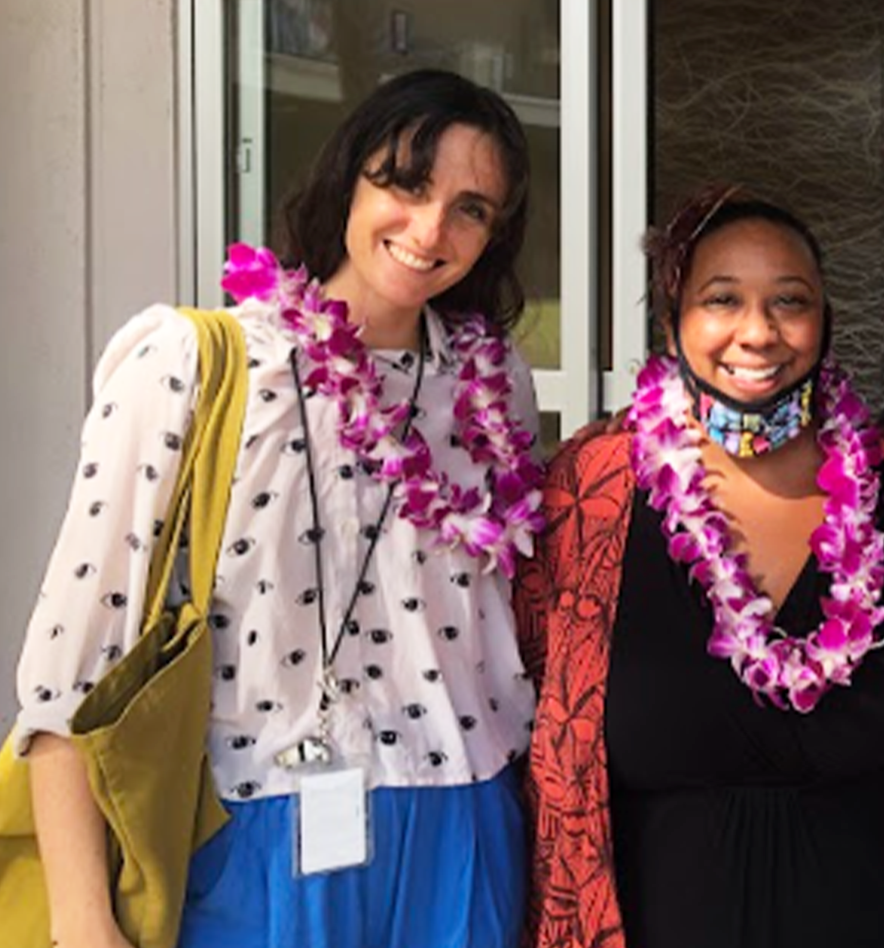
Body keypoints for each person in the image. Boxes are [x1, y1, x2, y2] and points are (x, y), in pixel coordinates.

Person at [15, 69, 545, 947]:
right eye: (406, 185)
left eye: (471, 208)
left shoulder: (491, 386)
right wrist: (82, 922)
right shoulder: (194, 363)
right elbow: (73, 659)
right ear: (349, 177)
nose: (430, 230)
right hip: (257, 823)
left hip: (463, 819)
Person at [517, 187, 884, 948]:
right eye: (721, 300)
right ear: (673, 322)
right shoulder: (590, 493)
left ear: (825, 321)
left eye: (789, 301)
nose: (757, 333)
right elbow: (534, 715)